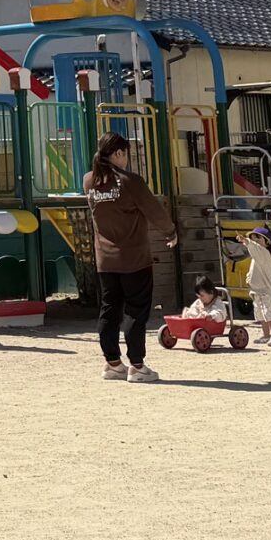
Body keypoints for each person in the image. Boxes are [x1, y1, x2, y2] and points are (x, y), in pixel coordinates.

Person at [84, 131, 174, 381]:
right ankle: (137, 365)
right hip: (134, 258)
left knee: (109, 310)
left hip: (105, 259)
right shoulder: (130, 181)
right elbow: (154, 211)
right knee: (136, 311)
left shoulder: (89, 181)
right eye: (125, 154)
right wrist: (171, 231)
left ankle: (112, 363)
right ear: (119, 153)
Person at [243, 224, 271, 344]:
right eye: (253, 238)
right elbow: (252, 270)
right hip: (256, 290)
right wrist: (248, 278)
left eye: (258, 238)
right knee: (260, 314)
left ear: (267, 242)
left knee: (269, 313)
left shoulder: (265, 253)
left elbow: (253, 247)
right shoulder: (256, 256)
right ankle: (266, 335)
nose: (255, 241)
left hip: (266, 291)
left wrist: (247, 241)